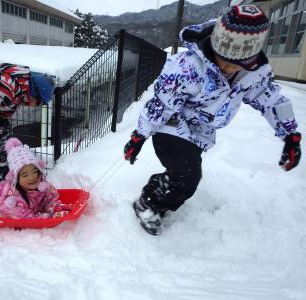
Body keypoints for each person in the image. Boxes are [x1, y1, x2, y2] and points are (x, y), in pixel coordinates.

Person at [123, 5, 302, 235]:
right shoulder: (188, 67)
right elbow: (162, 104)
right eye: (221, 58)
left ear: (249, 58)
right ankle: (148, 203)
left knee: (185, 175)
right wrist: (139, 136)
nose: (225, 67)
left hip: (199, 133)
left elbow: (271, 101)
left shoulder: (252, 75)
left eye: (234, 63)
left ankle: (166, 196)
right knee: (187, 176)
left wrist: (290, 136)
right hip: (171, 125)